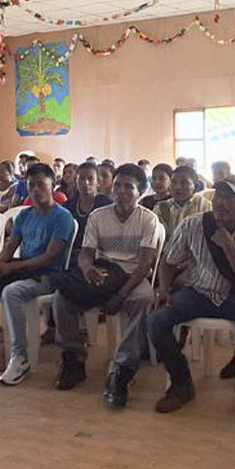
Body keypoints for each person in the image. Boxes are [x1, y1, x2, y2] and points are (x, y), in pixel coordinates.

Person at [105, 176, 235, 423]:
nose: (222, 203)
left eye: (230, 197)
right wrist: (163, 290)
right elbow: (168, 262)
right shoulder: (192, 225)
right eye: (219, 196)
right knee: (157, 319)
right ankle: (181, 383)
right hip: (198, 293)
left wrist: (229, 247)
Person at [0, 163, 74, 384]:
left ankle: (20, 357)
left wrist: (9, 268)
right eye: (31, 185)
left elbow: (49, 257)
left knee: (12, 292)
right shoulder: (25, 215)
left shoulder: (62, 216)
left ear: (52, 185)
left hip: (48, 276)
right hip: (22, 269)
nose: (35, 190)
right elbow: (10, 248)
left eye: (41, 185)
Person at [52, 164, 161, 390]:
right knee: (61, 297)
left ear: (141, 192)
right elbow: (86, 254)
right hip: (103, 273)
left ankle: (122, 367)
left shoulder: (148, 219)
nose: (121, 191)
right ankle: (74, 358)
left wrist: (121, 295)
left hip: (131, 277)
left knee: (144, 299)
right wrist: (87, 269)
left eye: (128, 187)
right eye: (118, 185)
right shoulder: (98, 216)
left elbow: (145, 264)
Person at [65, 161, 114, 264]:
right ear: (76, 181)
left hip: (99, 256)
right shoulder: (68, 206)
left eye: (90, 179)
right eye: (81, 179)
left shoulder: (107, 205)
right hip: (70, 254)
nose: (85, 183)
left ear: (98, 182)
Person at [154, 165, 210, 240]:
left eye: (184, 183)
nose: (177, 187)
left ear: (196, 187)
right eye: (174, 182)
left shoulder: (205, 207)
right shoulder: (161, 208)